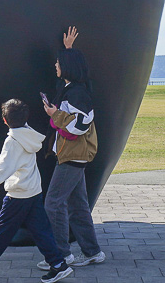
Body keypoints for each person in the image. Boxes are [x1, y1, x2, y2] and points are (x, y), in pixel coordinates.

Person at [0, 99, 72, 283]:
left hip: (18, 194)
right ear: (26, 117)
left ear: (4, 120)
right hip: (33, 190)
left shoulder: (12, 141)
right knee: (41, 230)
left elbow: (4, 166)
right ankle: (58, 264)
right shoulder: (29, 134)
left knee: (1, 233)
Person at [39, 26, 105, 270]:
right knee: (78, 207)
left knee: (53, 204)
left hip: (73, 156)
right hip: (71, 155)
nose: (55, 66)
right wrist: (68, 49)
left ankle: (61, 256)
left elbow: (79, 126)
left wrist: (55, 115)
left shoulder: (77, 94)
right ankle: (92, 252)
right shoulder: (71, 88)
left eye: (59, 63)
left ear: (66, 67)